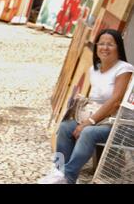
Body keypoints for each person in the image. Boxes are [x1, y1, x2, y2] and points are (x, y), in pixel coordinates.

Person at [39, 29, 133, 184]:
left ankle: (67, 176)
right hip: (94, 117)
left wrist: (90, 121)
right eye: (101, 44)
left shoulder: (125, 69)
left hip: (115, 123)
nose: (105, 47)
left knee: (88, 132)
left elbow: (115, 101)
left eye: (110, 44)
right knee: (64, 127)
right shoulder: (94, 69)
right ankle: (58, 170)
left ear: (119, 47)